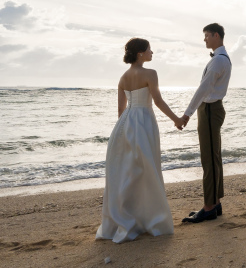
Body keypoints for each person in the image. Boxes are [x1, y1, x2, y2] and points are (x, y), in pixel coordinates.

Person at [96, 38, 186, 242]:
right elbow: (158, 100)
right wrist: (176, 120)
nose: (152, 52)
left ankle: (129, 217)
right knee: (148, 170)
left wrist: (124, 131)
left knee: (128, 172)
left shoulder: (123, 77)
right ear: (140, 54)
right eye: (149, 50)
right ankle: (151, 219)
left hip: (125, 124)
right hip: (144, 122)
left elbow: (120, 110)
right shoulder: (150, 74)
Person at [180, 23, 232, 223]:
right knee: (213, 157)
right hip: (211, 109)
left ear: (216, 36)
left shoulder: (218, 60)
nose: (204, 39)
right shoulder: (220, 58)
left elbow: (203, 89)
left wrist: (187, 114)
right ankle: (215, 202)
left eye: (207, 36)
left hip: (210, 110)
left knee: (209, 159)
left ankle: (209, 206)